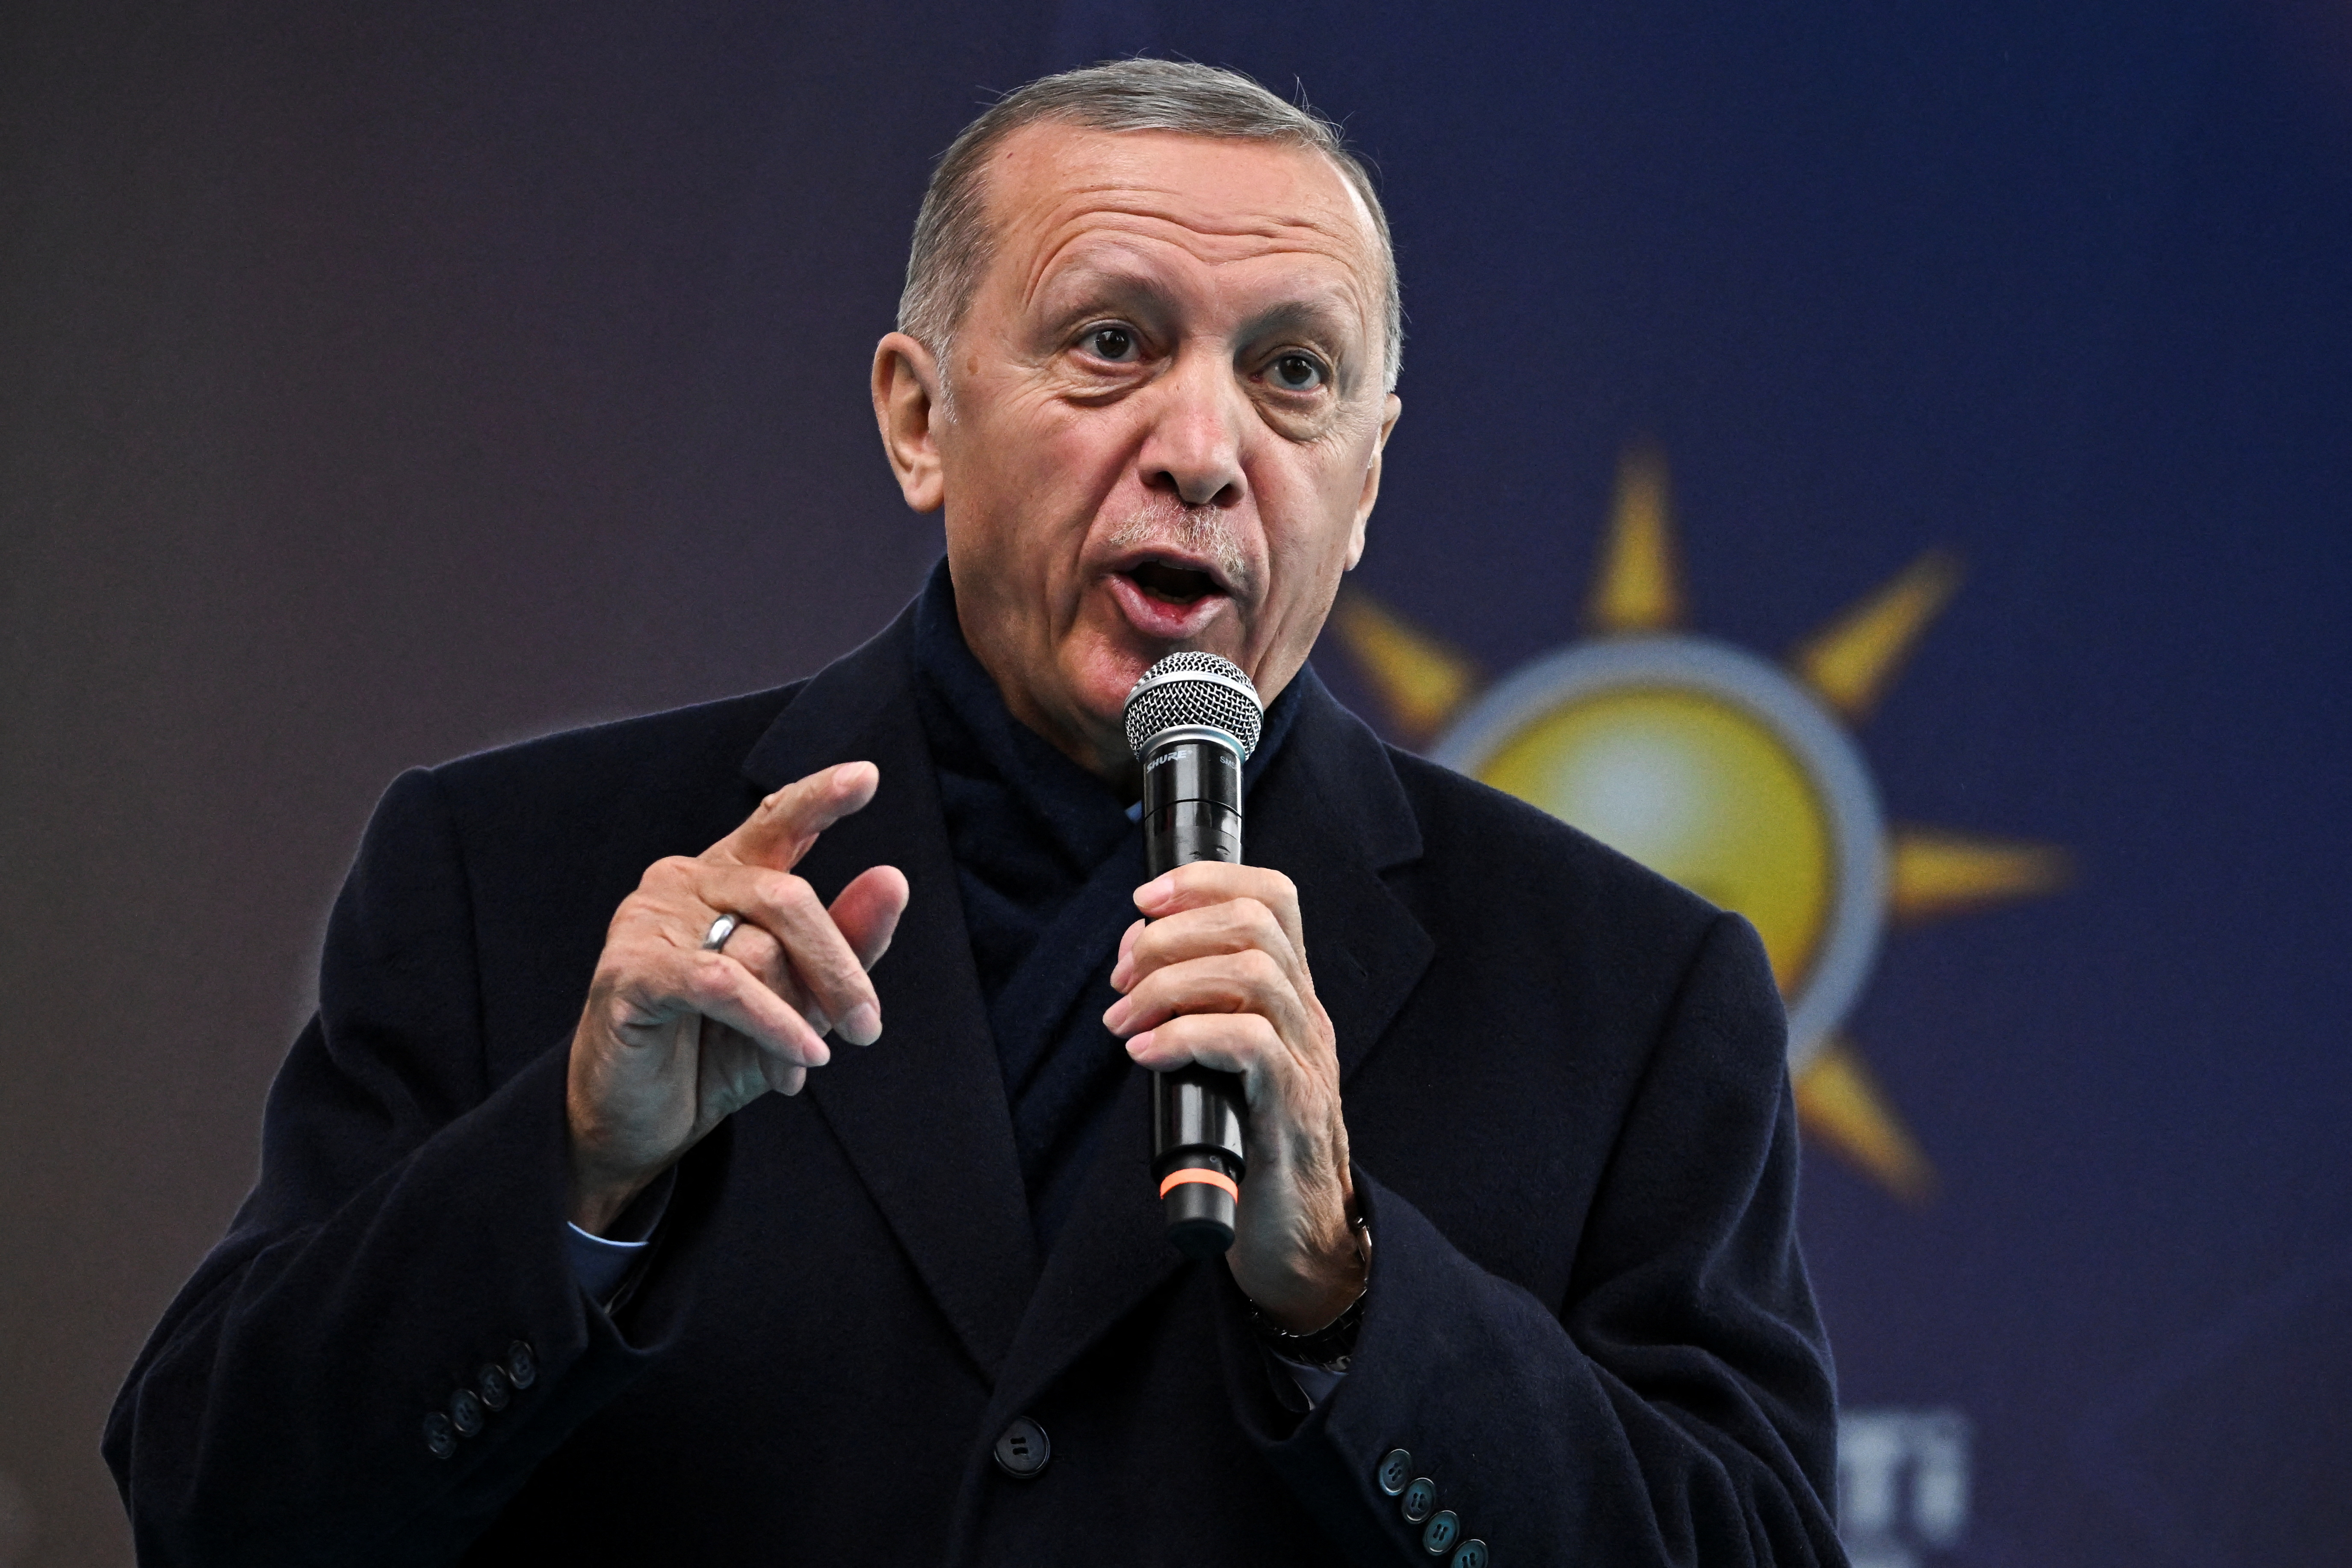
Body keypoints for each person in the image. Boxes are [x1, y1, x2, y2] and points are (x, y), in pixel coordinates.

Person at [106, 60, 1841, 1566]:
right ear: (917, 416)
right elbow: (214, 1508)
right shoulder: (513, 877)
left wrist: (1350, 1291)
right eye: (1112, 341)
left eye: (1293, 373)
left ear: (1365, 482)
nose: (1205, 445)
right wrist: (573, 1166)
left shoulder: (1628, 990)